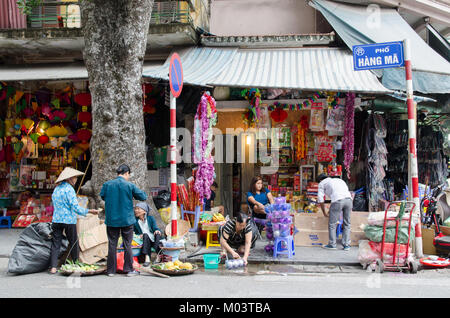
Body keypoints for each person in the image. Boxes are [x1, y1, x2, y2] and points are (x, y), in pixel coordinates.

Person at [49, 167, 99, 274]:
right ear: (70, 178)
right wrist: (89, 211)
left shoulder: (56, 189)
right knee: (74, 242)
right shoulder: (69, 190)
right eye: (75, 177)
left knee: (55, 243)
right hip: (68, 220)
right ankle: (76, 263)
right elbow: (76, 208)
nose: (76, 179)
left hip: (56, 219)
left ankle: (53, 267)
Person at [100, 164, 148, 277]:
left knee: (112, 244)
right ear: (126, 173)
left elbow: (102, 196)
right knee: (127, 244)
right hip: (127, 219)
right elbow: (143, 196)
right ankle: (128, 269)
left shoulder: (107, 185)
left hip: (112, 219)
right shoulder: (129, 185)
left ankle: (111, 271)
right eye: (128, 175)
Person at [316, 174, 353, 251]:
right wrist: (331, 209)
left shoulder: (321, 183)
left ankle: (332, 244)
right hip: (349, 200)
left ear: (320, 180)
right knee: (347, 223)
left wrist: (324, 213)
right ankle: (346, 245)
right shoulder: (339, 180)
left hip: (337, 201)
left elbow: (320, 199)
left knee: (332, 224)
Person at [134, 202, 162, 267]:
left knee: (157, 234)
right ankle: (147, 258)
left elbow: (155, 227)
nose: (136, 210)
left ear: (144, 211)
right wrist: (139, 235)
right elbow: (134, 233)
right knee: (145, 235)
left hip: (153, 239)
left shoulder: (150, 218)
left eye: (138, 209)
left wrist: (157, 230)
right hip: (144, 239)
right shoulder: (135, 221)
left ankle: (158, 256)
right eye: (135, 209)